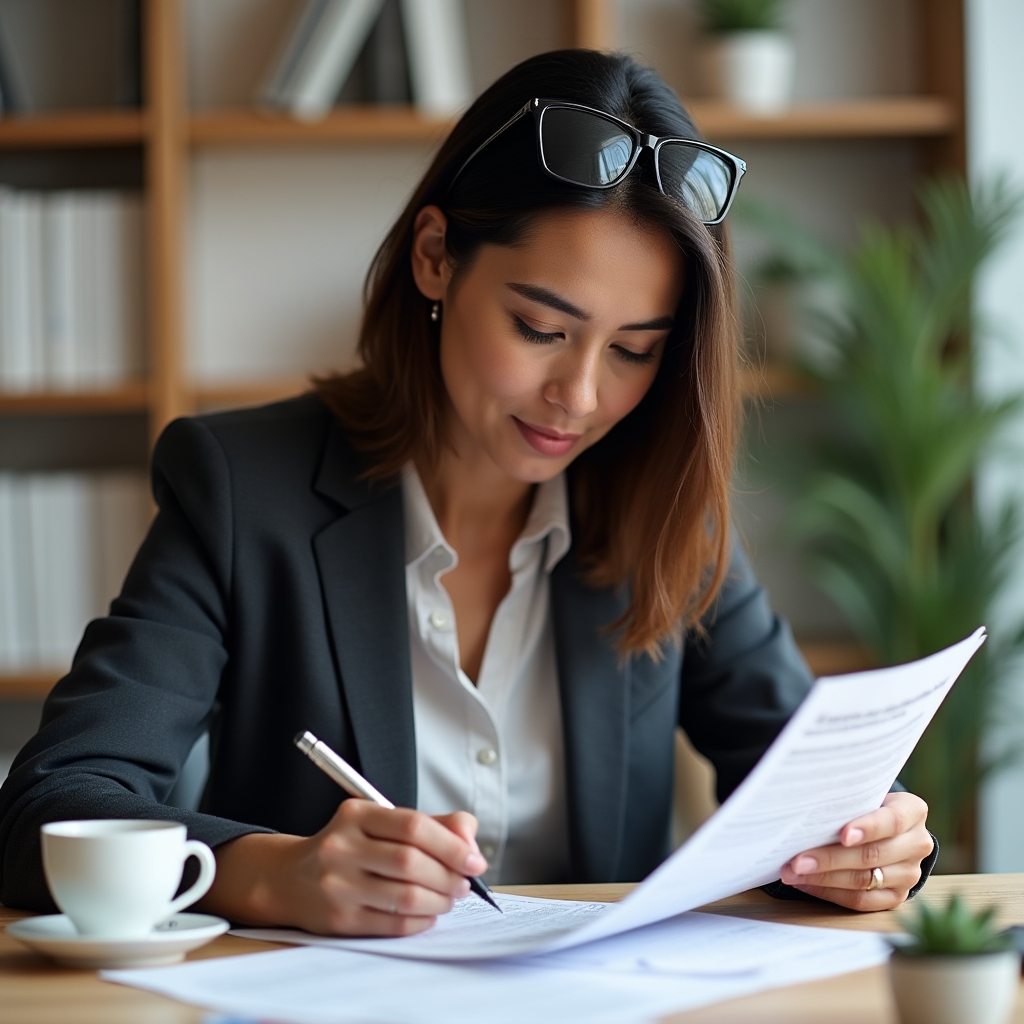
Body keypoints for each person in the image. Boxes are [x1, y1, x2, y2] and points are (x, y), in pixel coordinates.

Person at [0, 50, 936, 937]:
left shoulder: (665, 509)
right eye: (539, 327)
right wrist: (273, 874)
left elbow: (807, 800)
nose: (579, 396)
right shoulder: (245, 488)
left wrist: (866, 847)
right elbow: (52, 807)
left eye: (634, 351)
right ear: (435, 256)